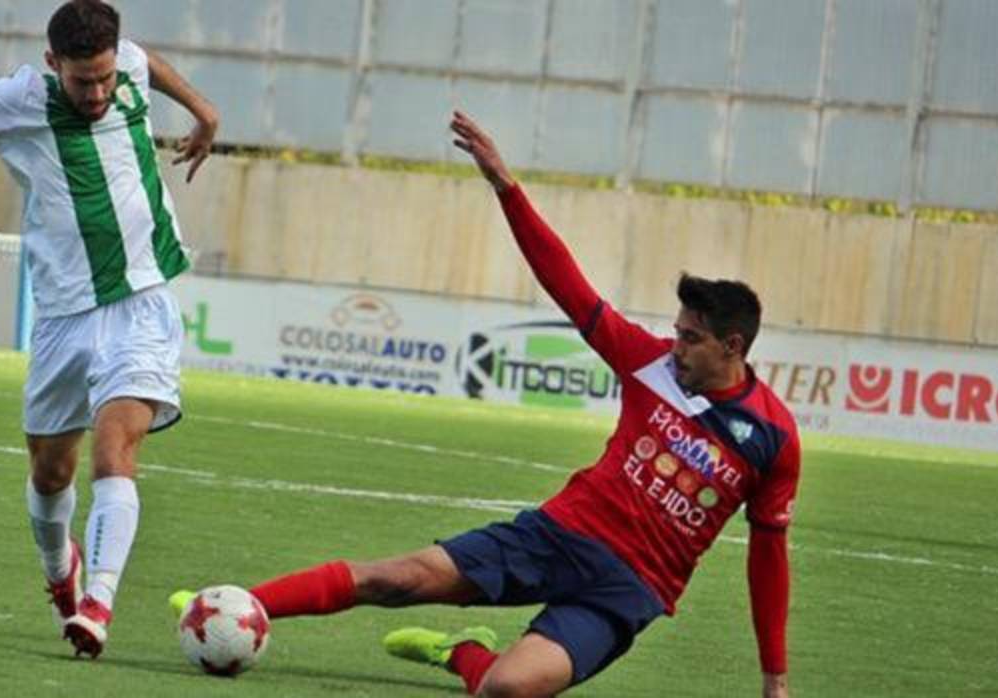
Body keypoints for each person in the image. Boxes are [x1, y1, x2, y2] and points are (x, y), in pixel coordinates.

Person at [173, 111, 799, 697]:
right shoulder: (649, 361)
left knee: (507, 688)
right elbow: (567, 282)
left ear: (732, 346)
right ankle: (231, 606)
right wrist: (506, 188)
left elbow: (768, 555)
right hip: (557, 534)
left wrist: (774, 677)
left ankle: (461, 652)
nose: (675, 345)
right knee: (393, 579)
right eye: (677, 331)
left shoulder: (772, 438)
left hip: (627, 589)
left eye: (691, 338)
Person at [0, 0, 220, 659]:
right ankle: (63, 575)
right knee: (50, 473)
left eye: (106, 78)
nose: (97, 92)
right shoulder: (19, 98)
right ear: (51, 63)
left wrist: (206, 112)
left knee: (116, 449)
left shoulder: (129, 66)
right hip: (62, 316)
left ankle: (98, 605)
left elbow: (151, 64)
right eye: (82, 80)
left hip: (142, 300)